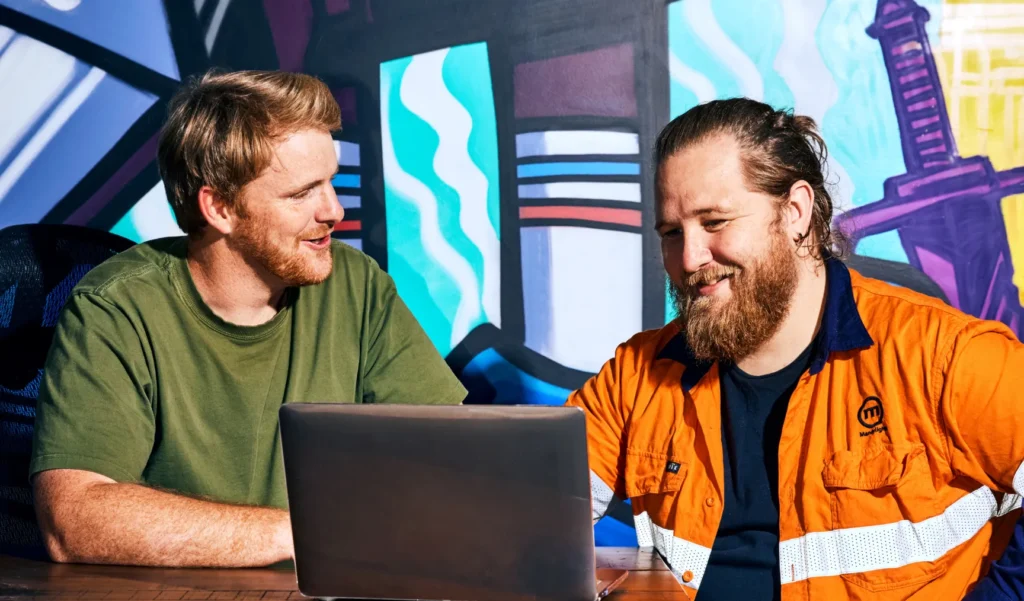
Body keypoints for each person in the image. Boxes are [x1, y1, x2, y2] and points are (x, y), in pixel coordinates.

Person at [567, 97, 1024, 600]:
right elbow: (533, 505)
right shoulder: (638, 375)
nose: (690, 258)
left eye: (714, 222)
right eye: (673, 233)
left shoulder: (942, 356)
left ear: (795, 212)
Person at [29, 70, 466, 568]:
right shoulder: (116, 307)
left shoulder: (355, 283)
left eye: (330, 182)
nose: (334, 211)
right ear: (219, 207)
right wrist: (310, 532)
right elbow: (73, 520)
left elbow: (453, 457)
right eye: (302, 193)